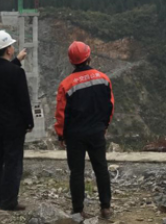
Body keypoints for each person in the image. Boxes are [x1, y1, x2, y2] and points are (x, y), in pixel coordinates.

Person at [55, 41, 115, 220]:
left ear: (71, 61)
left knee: (77, 171)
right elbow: (109, 106)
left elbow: (61, 114)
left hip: (75, 135)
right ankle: (105, 208)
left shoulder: (66, 84)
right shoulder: (103, 79)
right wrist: (104, 126)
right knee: (101, 168)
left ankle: (78, 210)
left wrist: (61, 135)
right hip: (96, 131)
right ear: (89, 57)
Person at [0, 30, 33, 211]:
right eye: (11, 45)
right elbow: (23, 100)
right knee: (12, 162)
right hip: (12, 126)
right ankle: (9, 201)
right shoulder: (17, 73)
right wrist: (29, 122)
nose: (13, 47)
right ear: (8, 50)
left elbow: (2, 72)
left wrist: (17, 61)